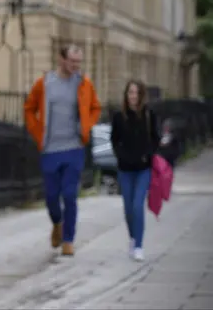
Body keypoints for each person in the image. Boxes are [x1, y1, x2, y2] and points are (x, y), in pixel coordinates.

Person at [24, 44, 101, 256]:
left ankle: (68, 240)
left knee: (69, 194)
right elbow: (29, 108)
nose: (76, 65)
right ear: (61, 59)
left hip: (74, 147)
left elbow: (95, 107)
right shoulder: (45, 83)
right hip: (50, 149)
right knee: (51, 197)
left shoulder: (84, 84)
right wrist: (37, 131)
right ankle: (57, 223)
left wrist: (85, 126)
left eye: (79, 61)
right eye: (73, 61)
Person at [110, 79, 160, 262]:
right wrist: (120, 155)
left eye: (136, 93)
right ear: (126, 95)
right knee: (128, 209)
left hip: (143, 168)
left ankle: (139, 245)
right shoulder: (118, 116)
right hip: (125, 169)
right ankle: (132, 237)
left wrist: (148, 154)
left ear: (141, 95)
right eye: (130, 92)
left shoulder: (149, 115)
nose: (133, 96)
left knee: (138, 206)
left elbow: (156, 138)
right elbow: (114, 139)